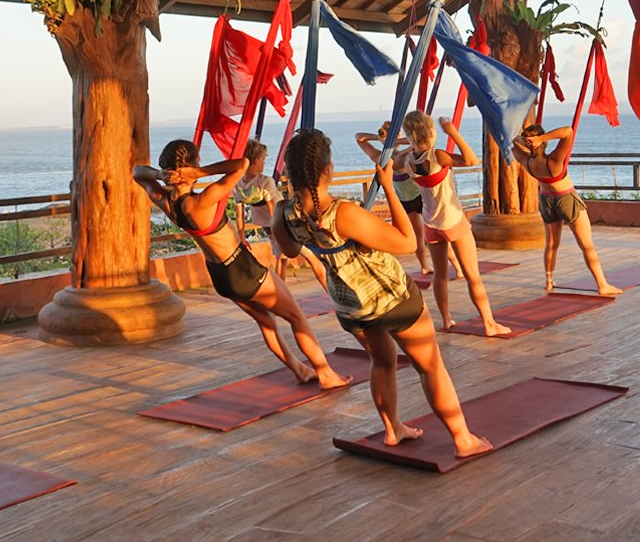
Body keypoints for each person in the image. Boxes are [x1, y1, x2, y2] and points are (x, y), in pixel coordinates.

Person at [272, 129, 492, 457]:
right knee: (430, 366)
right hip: (392, 299)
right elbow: (406, 243)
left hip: (350, 307)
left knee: (383, 362)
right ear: (327, 171)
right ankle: (463, 439)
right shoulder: (344, 213)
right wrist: (389, 187)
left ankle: (393, 429)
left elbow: (289, 252)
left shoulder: (283, 214)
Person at [133, 140, 350, 388]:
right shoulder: (202, 200)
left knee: (267, 323)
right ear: (191, 167)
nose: (201, 166)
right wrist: (200, 174)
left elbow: (137, 172)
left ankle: (299, 370)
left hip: (220, 275)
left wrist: (161, 175)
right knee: (296, 317)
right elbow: (242, 165)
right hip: (241, 268)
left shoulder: (166, 200)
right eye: (198, 164)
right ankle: (326, 374)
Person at [394, 111, 510, 336]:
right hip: (453, 221)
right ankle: (489, 324)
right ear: (431, 131)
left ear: (410, 135)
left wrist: (404, 143)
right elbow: (471, 160)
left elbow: (381, 158)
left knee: (440, 275)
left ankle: (446, 320)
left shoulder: (405, 160)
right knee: (472, 275)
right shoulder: (437, 156)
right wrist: (453, 132)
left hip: (431, 223)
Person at [510, 124, 620, 295]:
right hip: (566, 199)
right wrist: (540, 139)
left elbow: (512, 142)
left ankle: (548, 282)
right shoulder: (553, 161)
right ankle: (602, 285)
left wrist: (522, 141)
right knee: (587, 246)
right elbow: (568, 132)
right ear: (542, 140)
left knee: (552, 245)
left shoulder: (526, 161)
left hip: (546, 200)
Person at [234, 140, 327, 291]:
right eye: (263, 160)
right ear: (257, 160)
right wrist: (281, 233)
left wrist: (242, 237)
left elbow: (240, 215)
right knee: (311, 256)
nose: (264, 163)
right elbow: (273, 210)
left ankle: (281, 294)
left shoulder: (238, 185)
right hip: (283, 224)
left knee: (281, 260)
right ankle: (328, 290)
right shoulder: (264, 182)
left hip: (268, 228)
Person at [355, 122, 434, 275]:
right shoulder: (382, 157)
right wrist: (380, 138)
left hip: (419, 195)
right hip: (406, 199)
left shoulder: (405, 152)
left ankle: (454, 264)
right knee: (418, 235)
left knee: (434, 231)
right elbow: (358, 137)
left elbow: (423, 142)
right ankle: (424, 266)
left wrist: (391, 141)